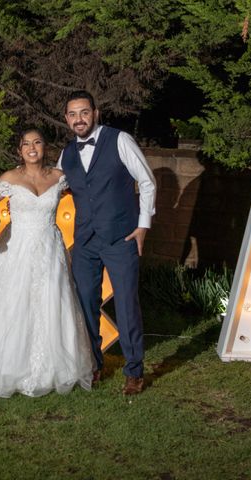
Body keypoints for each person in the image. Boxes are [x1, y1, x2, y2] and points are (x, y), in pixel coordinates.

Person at [0, 128, 94, 398]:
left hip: (50, 247)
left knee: (51, 300)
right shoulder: (8, 179)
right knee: (13, 302)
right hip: (16, 249)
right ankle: (6, 365)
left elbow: (88, 194)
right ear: (19, 150)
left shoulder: (60, 178)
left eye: (37, 142)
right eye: (26, 144)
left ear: (45, 147)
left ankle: (53, 367)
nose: (32, 148)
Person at [58, 90, 156, 396]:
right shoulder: (67, 154)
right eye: (73, 114)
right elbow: (53, 189)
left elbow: (148, 181)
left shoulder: (120, 140)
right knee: (86, 303)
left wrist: (143, 226)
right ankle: (94, 364)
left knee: (126, 304)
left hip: (120, 237)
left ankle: (134, 371)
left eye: (84, 112)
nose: (79, 119)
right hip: (85, 242)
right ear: (67, 119)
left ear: (95, 113)